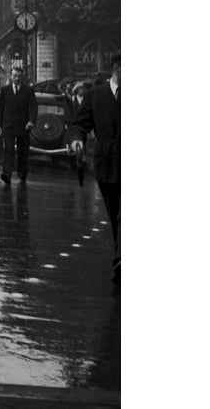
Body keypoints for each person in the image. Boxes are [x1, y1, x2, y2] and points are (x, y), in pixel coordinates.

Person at [67, 53, 121, 292]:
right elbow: (79, 124)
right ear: (116, 68)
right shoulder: (95, 95)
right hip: (107, 164)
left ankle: (121, 261)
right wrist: (77, 140)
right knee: (115, 215)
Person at [0, 67, 37, 185]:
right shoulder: (5, 90)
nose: (17, 78)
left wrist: (31, 121)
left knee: (23, 151)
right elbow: (0, 108)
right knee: (8, 149)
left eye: (19, 76)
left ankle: (22, 174)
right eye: (14, 76)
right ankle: (7, 174)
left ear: (22, 77)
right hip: (8, 125)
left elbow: (33, 107)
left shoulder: (28, 91)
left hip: (23, 126)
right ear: (11, 76)